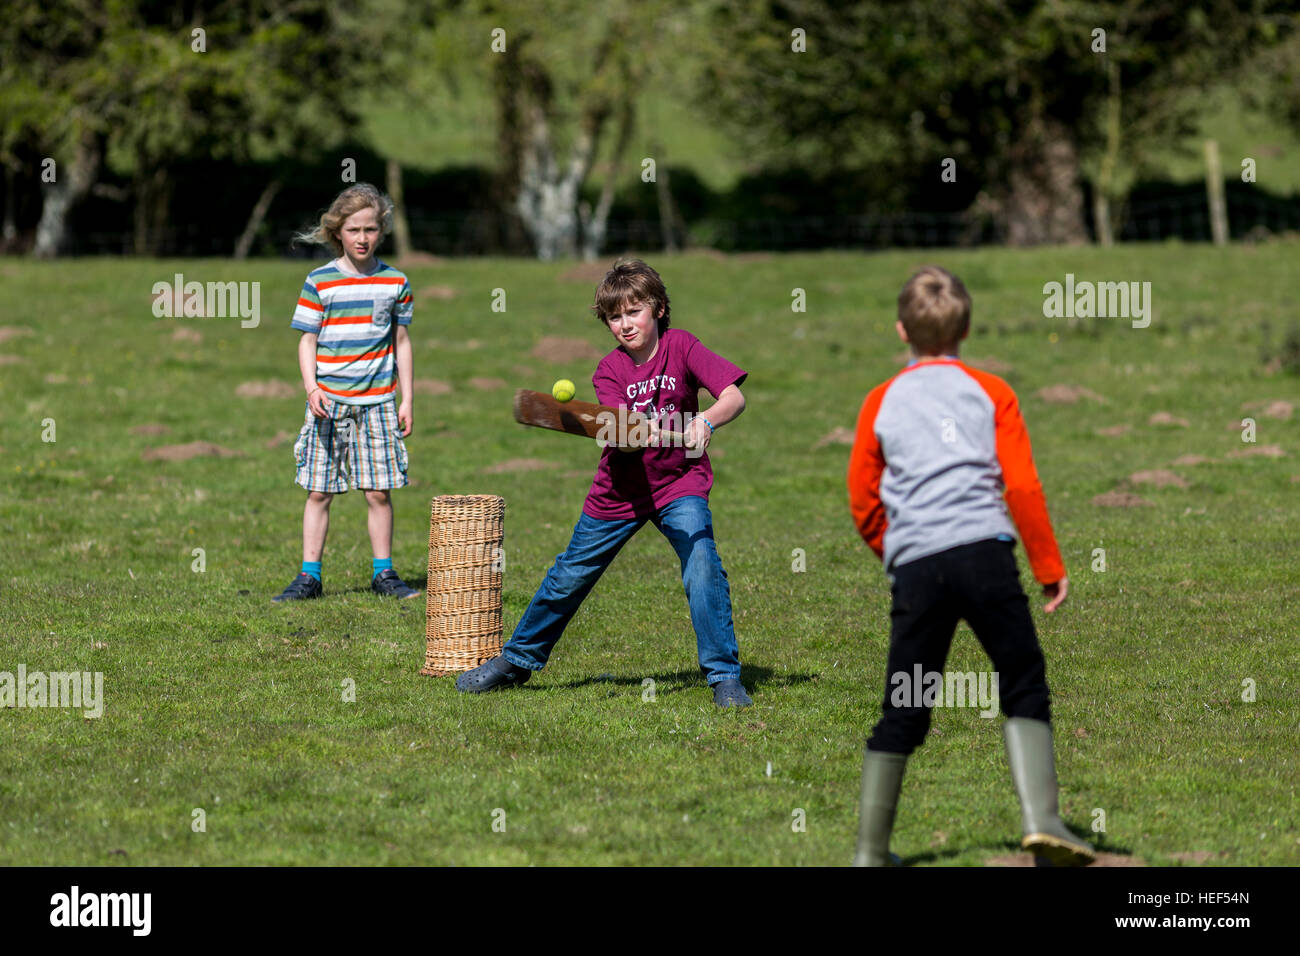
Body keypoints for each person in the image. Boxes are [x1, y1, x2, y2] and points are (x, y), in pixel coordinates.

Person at [847, 265, 1094, 865]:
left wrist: (896, 551)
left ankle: (869, 852)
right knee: (1022, 678)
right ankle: (1042, 822)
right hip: (986, 556)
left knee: (905, 706)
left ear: (901, 329)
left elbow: (862, 495)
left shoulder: (880, 400)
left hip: (918, 570)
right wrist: (1049, 566)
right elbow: (1023, 488)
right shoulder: (993, 392)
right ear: (966, 329)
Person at [457, 259, 753, 707]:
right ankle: (516, 660)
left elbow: (734, 395)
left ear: (657, 308)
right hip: (619, 492)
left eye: (633, 312)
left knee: (703, 565)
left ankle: (724, 677)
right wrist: (636, 432)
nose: (624, 324)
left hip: (679, 483)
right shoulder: (608, 371)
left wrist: (706, 422)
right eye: (615, 317)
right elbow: (620, 434)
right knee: (569, 576)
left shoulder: (684, 347)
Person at [272, 183, 420, 603]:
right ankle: (309, 577)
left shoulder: (395, 282)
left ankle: (384, 574)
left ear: (382, 231)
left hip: (378, 404)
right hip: (329, 404)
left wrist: (406, 399)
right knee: (319, 491)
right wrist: (311, 387)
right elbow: (307, 341)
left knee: (378, 491)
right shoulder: (319, 282)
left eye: (371, 229)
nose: (362, 238)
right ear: (338, 231)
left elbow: (402, 342)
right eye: (354, 229)